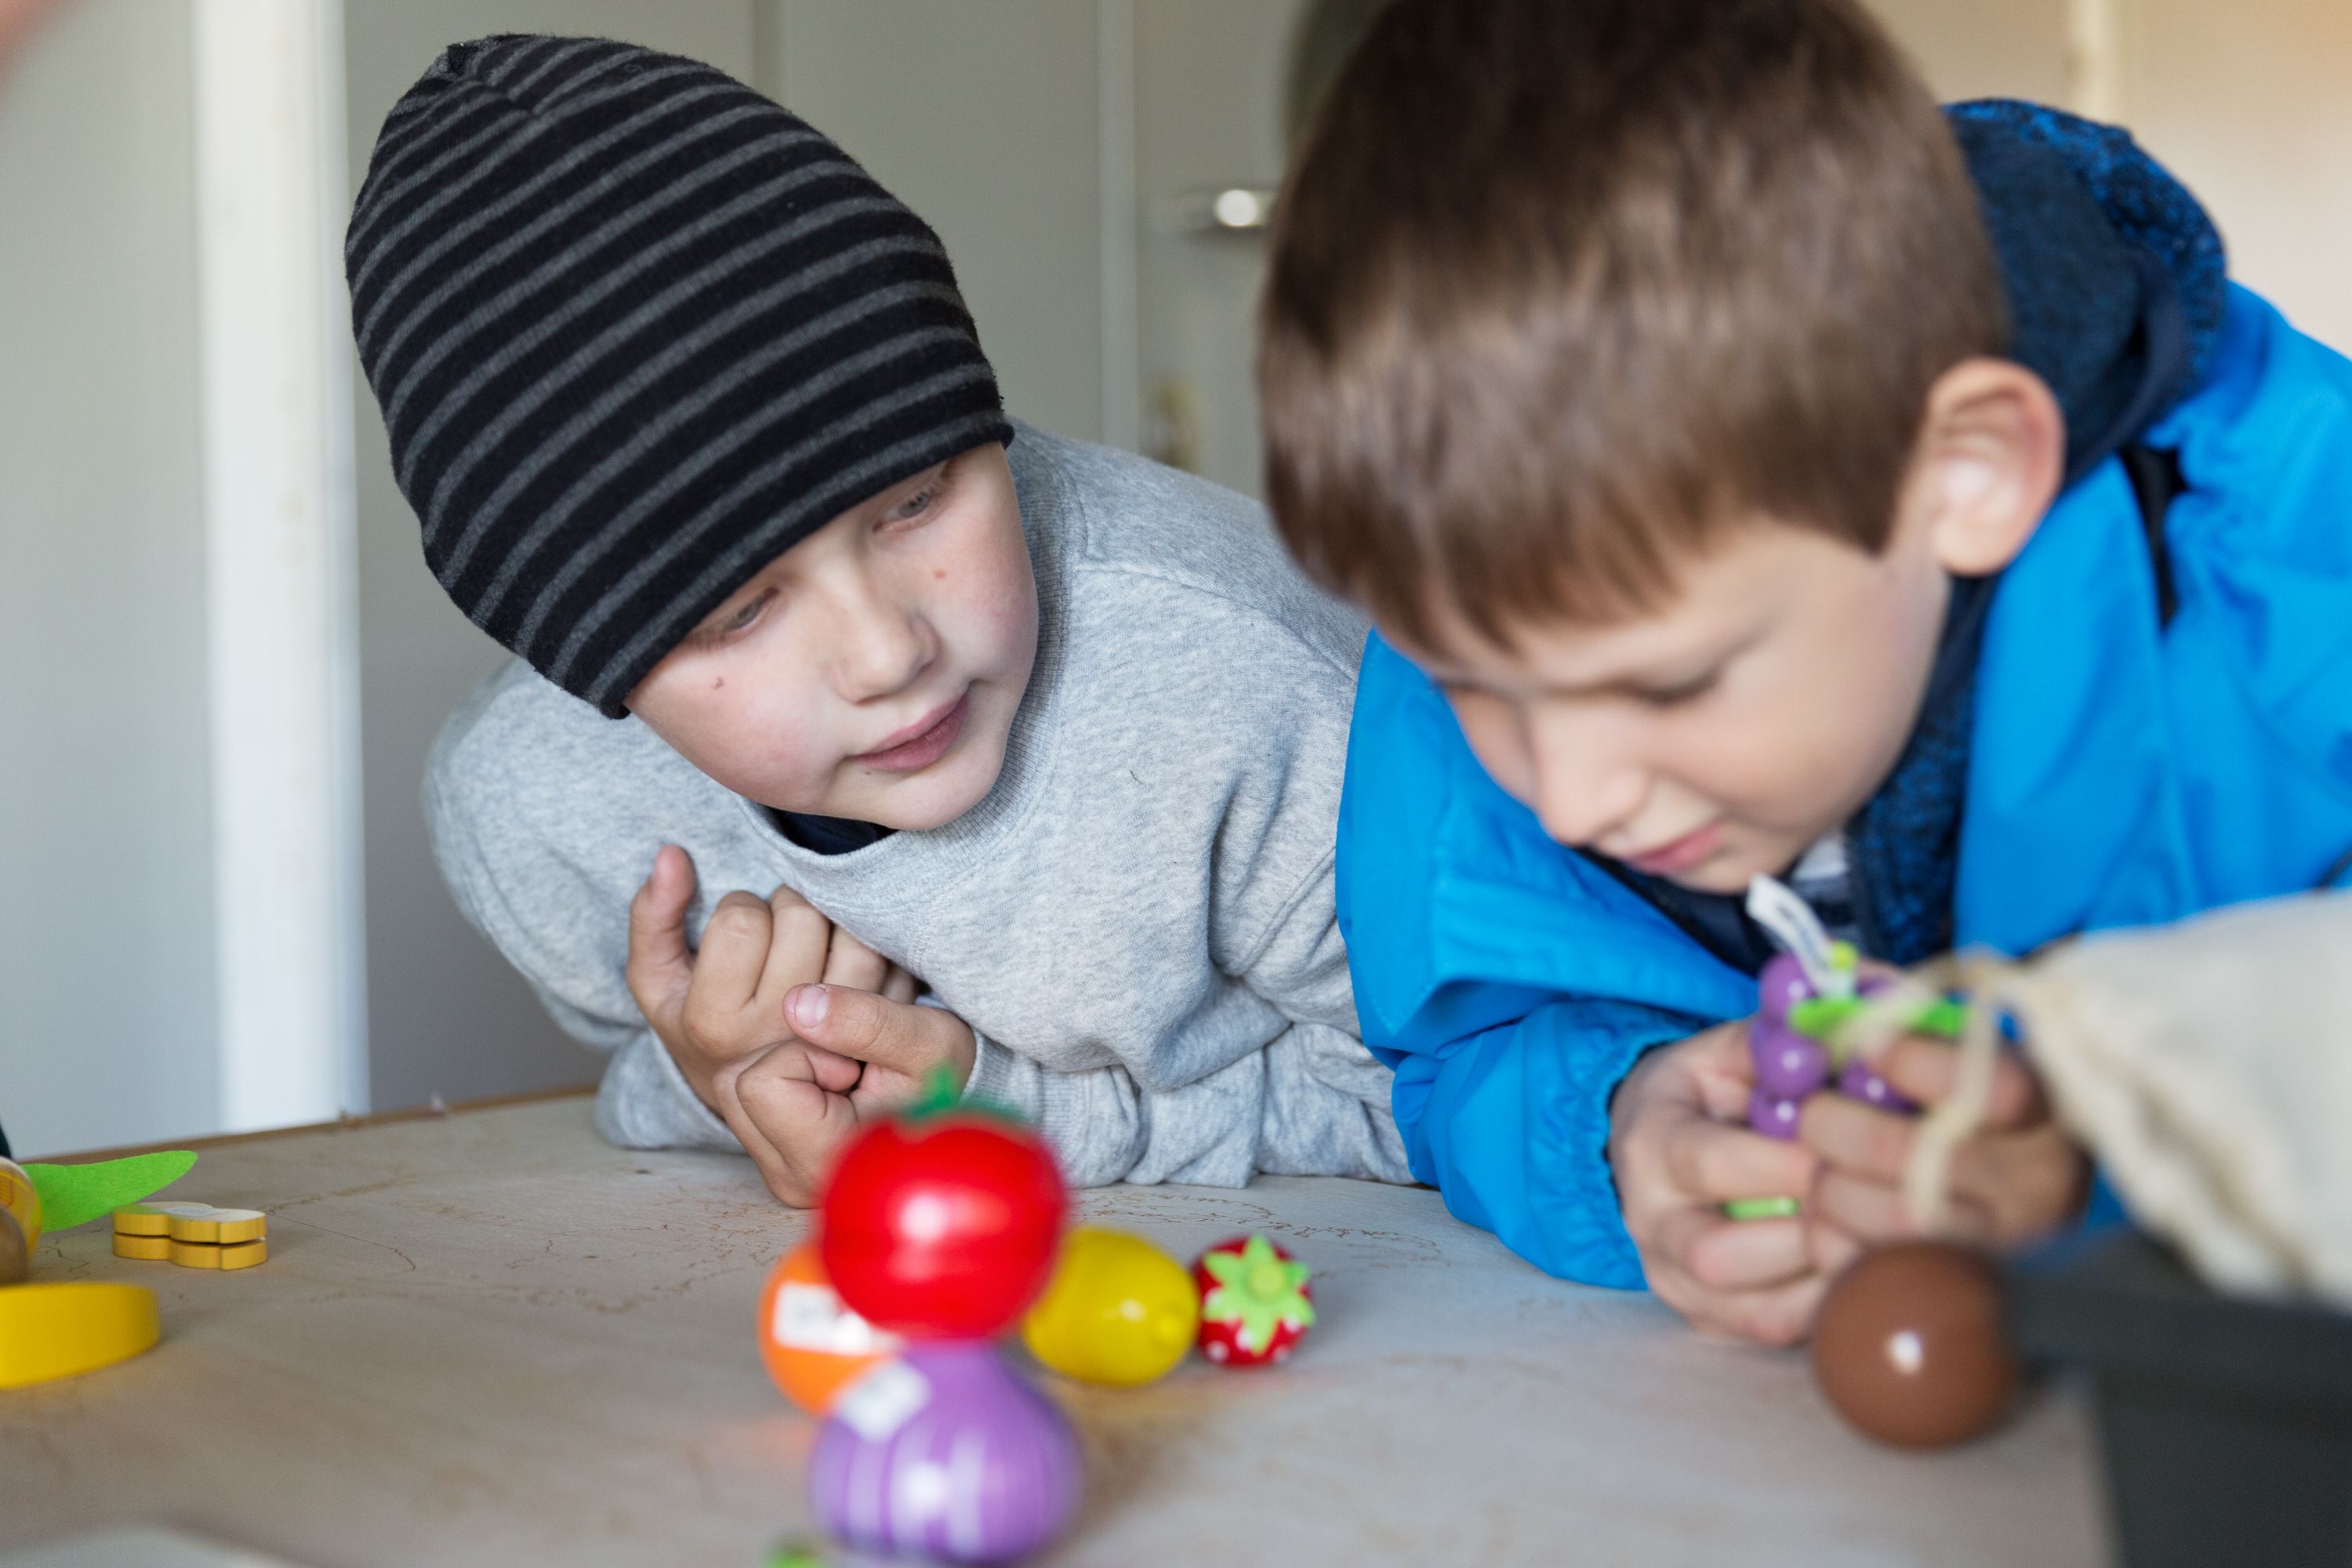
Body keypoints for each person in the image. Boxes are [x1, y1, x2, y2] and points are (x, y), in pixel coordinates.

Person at [1258, 0, 2352, 1344]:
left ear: (1965, 476)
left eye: (1669, 688)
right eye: (1476, 684)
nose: (1578, 793)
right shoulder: (1487, 592)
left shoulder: (2293, 567)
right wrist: (1613, 1123)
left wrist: (2124, 1148)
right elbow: (1464, 1045)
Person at [347, 36, 1406, 1204]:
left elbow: (1480, 1092)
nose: (888, 650)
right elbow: (646, 1078)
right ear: (583, 663)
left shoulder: (1246, 688)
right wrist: (712, 1078)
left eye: (916, 500)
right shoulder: (539, 806)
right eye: (741, 609)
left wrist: (1006, 1112)